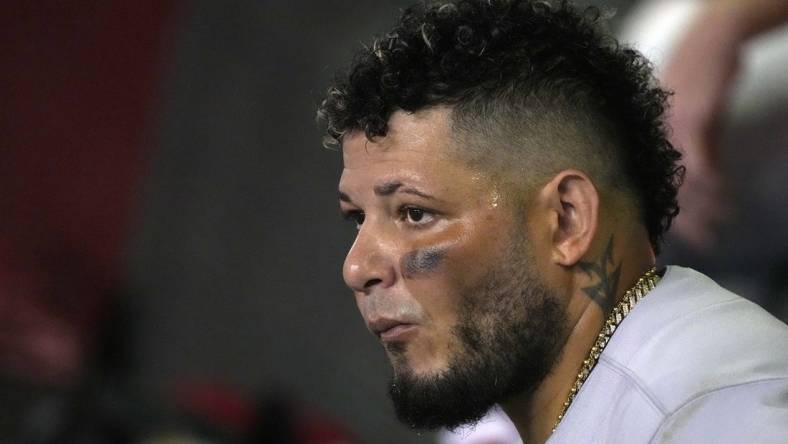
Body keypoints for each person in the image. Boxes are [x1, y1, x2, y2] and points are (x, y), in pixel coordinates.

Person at [317, 1, 788, 443]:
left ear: (567, 220)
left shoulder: (699, 414)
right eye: (357, 218)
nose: (356, 269)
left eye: (415, 213)